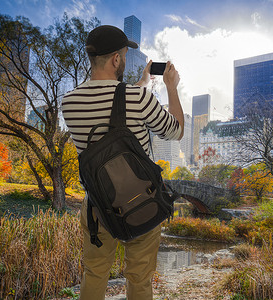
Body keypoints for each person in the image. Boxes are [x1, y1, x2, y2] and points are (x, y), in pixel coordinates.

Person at [61, 25, 184, 300]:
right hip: (143, 203)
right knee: (139, 279)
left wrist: (142, 83)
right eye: (125, 55)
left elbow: (113, 102)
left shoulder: (69, 103)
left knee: (94, 274)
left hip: (98, 206)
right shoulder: (138, 99)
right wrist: (171, 89)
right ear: (117, 59)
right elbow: (176, 130)